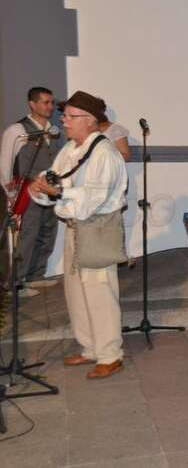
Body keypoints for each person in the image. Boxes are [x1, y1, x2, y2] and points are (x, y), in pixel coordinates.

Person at [29, 90, 128, 379]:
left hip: (97, 228)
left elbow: (92, 199)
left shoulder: (105, 153)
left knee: (99, 292)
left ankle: (110, 355)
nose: (64, 120)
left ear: (89, 120)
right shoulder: (71, 149)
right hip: (75, 228)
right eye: (65, 115)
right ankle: (91, 348)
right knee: (76, 292)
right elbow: (54, 178)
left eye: (70, 116)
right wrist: (40, 188)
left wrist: (58, 192)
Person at [0, 87, 63, 296]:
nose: (50, 107)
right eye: (46, 102)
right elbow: (5, 163)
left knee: (47, 232)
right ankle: (15, 284)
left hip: (49, 191)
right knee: (27, 235)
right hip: (26, 191)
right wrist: (11, 193)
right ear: (32, 104)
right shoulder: (17, 130)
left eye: (52, 103)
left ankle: (35, 275)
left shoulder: (54, 130)